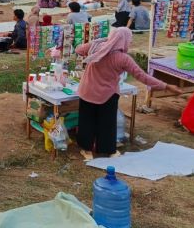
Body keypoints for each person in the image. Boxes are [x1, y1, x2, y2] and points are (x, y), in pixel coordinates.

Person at [75, 28, 181, 160]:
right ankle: (108, 150)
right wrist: (166, 86)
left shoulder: (96, 48)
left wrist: (99, 42)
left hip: (88, 91)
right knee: (107, 122)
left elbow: (78, 49)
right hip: (107, 94)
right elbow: (142, 77)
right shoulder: (123, 59)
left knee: (87, 121)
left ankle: (87, 150)